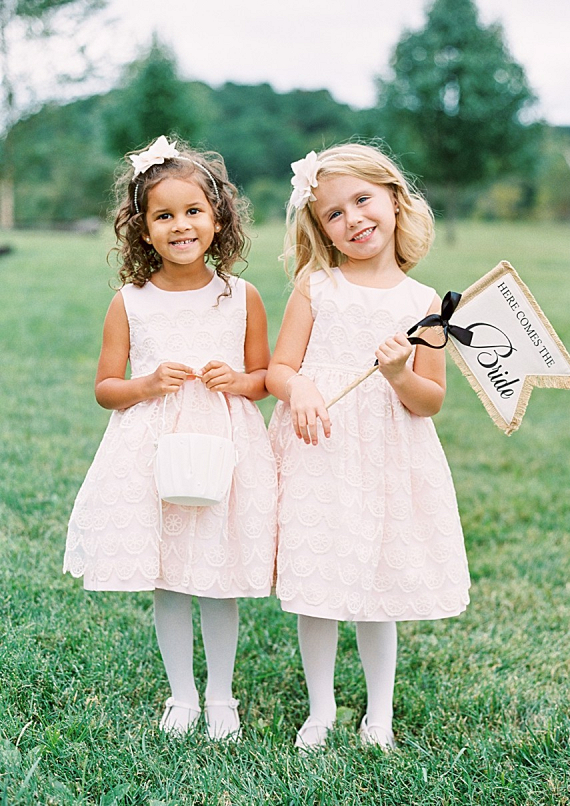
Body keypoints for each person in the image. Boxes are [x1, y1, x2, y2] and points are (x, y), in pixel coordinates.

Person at [64, 135, 277, 740]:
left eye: (193, 212)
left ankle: (221, 697)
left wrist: (238, 380)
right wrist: (146, 383)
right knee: (168, 573)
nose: (180, 225)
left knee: (217, 571)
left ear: (218, 219)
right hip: (152, 448)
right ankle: (181, 694)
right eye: (164, 215)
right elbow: (106, 386)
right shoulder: (130, 301)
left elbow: (264, 379)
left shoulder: (242, 297)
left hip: (222, 445)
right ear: (142, 228)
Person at [267, 144, 471, 751]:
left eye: (362, 200)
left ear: (394, 199)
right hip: (320, 446)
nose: (353, 219)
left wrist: (400, 375)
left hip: (386, 454)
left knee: (378, 585)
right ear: (319, 228)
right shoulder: (316, 285)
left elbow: (429, 399)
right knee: (319, 577)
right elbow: (279, 367)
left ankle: (377, 713)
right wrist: (299, 385)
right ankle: (321, 707)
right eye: (333, 213)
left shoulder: (426, 305)